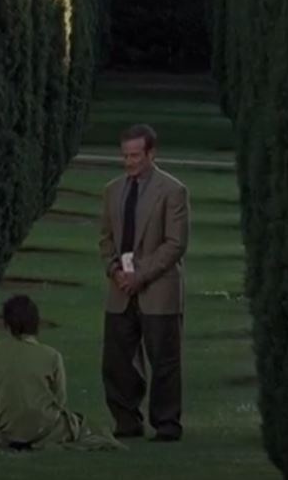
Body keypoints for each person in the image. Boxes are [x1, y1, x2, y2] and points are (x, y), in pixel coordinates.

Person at [98, 123, 189, 442]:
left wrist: (140, 275)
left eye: (135, 155)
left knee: (164, 360)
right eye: (125, 155)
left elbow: (175, 244)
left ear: (151, 153)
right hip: (120, 288)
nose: (129, 162)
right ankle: (126, 421)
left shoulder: (173, 191)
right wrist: (114, 270)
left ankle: (167, 424)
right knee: (117, 361)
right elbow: (106, 238)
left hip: (158, 289)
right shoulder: (112, 190)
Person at [0, 295, 125, 451]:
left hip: (7, 430)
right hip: (44, 428)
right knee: (87, 427)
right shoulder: (52, 356)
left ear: (7, 324)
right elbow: (60, 400)